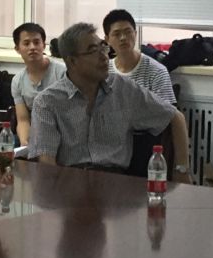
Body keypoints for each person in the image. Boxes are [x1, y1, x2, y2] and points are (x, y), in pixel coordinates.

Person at [31, 22, 191, 176]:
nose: (104, 56)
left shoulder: (123, 89)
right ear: (72, 61)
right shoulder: (47, 102)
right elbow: (47, 164)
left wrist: (181, 170)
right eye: (93, 51)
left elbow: (175, 117)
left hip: (115, 181)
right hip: (70, 180)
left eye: (103, 47)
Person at [103, 9, 175, 105]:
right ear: (107, 40)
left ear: (135, 34)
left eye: (128, 32)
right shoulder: (104, 72)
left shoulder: (157, 71)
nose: (123, 38)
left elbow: (168, 113)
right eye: (117, 34)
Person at [11, 21, 66, 146]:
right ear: (17, 49)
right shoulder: (17, 81)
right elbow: (23, 120)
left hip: (63, 134)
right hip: (36, 135)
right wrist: (25, 143)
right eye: (26, 43)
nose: (32, 47)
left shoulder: (62, 73)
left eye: (36, 42)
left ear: (43, 45)